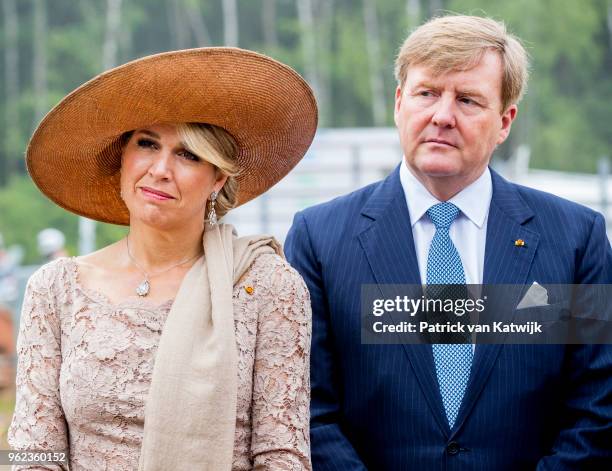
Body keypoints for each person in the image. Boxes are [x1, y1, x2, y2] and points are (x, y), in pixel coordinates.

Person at [285, 15, 612, 470]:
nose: (442, 115)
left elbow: (597, 408)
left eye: (468, 100)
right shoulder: (319, 239)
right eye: (427, 93)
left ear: (504, 122)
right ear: (399, 103)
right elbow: (309, 409)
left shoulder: (576, 240)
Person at [9, 47, 317, 470]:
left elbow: (283, 454)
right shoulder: (56, 288)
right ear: (121, 159)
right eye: (147, 144)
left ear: (218, 178)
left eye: (189, 154)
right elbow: (33, 452)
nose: (160, 169)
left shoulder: (265, 284)